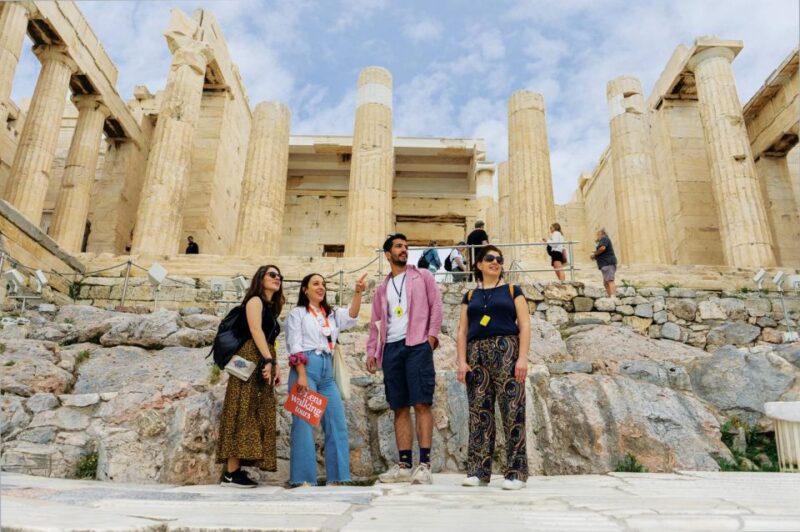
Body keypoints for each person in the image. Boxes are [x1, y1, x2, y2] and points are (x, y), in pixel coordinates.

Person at [367, 234, 443, 485]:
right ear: (387, 254)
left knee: (422, 403)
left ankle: (424, 464)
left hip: (417, 345)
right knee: (398, 407)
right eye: (398, 247)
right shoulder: (381, 289)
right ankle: (403, 465)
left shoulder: (423, 276)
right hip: (392, 349)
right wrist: (372, 352)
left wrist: (430, 338)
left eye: (406, 247)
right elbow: (376, 323)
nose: (404, 250)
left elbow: (436, 307)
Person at [456, 245, 530, 490]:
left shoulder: (512, 290)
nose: (495, 262)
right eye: (490, 258)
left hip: (507, 350)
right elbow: (462, 331)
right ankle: (478, 471)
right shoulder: (470, 296)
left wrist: (522, 358)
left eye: (499, 259)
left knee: (513, 412)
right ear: (479, 264)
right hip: (476, 353)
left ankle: (516, 473)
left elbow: (525, 325)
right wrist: (461, 361)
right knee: (479, 413)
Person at [285, 272, 367, 486]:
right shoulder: (298, 313)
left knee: (336, 422)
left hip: (327, 372)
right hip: (306, 368)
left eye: (323, 284)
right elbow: (294, 345)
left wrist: (357, 292)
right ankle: (302, 480)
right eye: (315, 284)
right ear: (305, 289)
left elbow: (351, 316)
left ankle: (339, 477)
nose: (321, 287)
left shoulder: (330, 313)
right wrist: (301, 375)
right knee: (303, 424)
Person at [216, 264, 284, 488]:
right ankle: (231, 472)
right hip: (249, 359)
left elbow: (270, 337)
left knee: (254, 410)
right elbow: (255, 330)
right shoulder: (254, 301)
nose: (277, 278)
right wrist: (267, 360)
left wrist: (275, 364)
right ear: (260, 278)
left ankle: (238, 469)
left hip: (263, 357)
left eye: (279, 276)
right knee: (241, 409)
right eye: (272, 275)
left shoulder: (272, 307)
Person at [591, 228, 617, 296]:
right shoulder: (604, 240)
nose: (597, 236)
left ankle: (613, 297)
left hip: (607, 263)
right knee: (606, 283)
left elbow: (602, 248)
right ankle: (610, 297)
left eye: (598, 234)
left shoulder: (604, 238)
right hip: (605, 264)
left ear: (602, 234)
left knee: (610, 280)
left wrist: (595, 254)